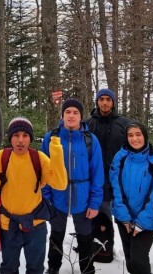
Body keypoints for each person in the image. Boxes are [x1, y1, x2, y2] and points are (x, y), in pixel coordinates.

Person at [0, 117, 68, 274]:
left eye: (25, 135)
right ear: (10, 138)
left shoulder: (39, 158)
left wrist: (56, 148)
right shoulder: (2, 157)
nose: (20, 140)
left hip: (36, 225)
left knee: (35, 269)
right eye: (16, 135)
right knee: (9, 268)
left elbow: (60, 183)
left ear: (30, 137)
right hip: (9, 225)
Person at [41, 99, 104, 274]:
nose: (71, 115)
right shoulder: (51, 137)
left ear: (81, 116)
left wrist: (94, 203)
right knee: (56, 235)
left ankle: (87, 268)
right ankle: (53, 267)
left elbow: (97, 172)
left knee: (85, 236)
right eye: (67, 111)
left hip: (82, 196)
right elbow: (44, 171)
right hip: (57, 196)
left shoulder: (90, 140)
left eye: (75, 112)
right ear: (62, 115)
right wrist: (46, 198)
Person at [109, 122, 153, 274]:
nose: (134, 139)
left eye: (138, 134)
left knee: (139, 258)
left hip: (148, 218)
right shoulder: (120, 158)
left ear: (145, 136)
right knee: (129, 257)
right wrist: (124, 217)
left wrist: (142, 221)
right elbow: (115, 187)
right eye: (130, 135)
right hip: (124, 216)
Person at [85, 88, 133, 261]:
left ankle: (133, 256)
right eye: (101, 99)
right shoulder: (88, 124)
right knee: (100, 216)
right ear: (97, 101)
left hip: (121, 180)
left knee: (124, 218)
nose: (105, 102)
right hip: (97, 180)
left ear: (113, 102)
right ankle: (101, 251)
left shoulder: (124, 124)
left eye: (108, 99)